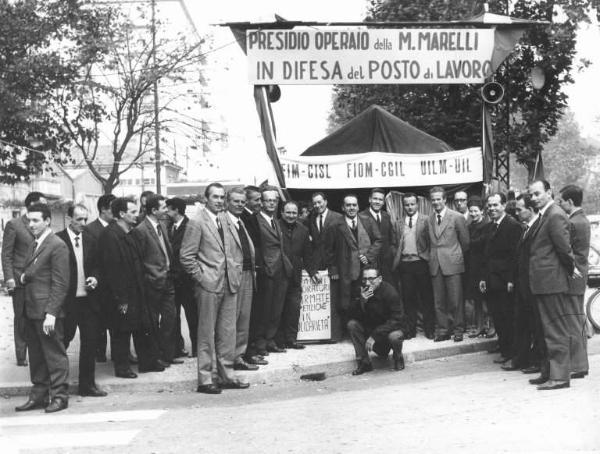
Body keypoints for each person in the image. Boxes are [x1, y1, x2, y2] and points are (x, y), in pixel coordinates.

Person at [180, 183, 249, 394]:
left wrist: (234, 271)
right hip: (209, 285)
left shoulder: (225, 220)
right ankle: (205, 379)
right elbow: (186, 257)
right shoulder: (197, 222)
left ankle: (227, 375)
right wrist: (202, 278)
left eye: (221, 197)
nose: (219, 201)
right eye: (215, 197)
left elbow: (232, 250)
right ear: (206, 198)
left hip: (229, 283)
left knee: (227, 333)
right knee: (206, 334)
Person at [98, 197, 163, 378]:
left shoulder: (130, 232)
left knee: (142, 326)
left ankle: (147, 362)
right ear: (121, 214)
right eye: (133, 212)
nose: (137, 215)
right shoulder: (110, 236)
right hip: (123, 294)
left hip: (136, 290)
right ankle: (122, 367)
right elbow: (113, 270)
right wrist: (122, 299)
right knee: (122, 331)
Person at [15, 203, 70, 413]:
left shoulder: (57, 245)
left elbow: (60, 283)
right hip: (31, 310)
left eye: (36, 220)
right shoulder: (35, 243)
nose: (31, 224)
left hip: (47, 312)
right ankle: (39, 395)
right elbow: (31, 270)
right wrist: (23, 276)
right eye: (29, 220)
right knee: (37, 356)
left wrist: (52, 313)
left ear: (47, 221)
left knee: (54, 355)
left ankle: (60, 396)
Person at [527, 180, 575, 390]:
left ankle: (560, 377)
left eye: (538, 194)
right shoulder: (545, 215)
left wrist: (564, 274)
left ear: (549, 192)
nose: (534, 198)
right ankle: (548, 372)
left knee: (555, 330)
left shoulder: (554, 215)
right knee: (546, 330)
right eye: (532, 195)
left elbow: (565, 251)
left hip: (552, 283)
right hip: (544, 283)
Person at [57, 205, 106, 397]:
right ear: (69, 218)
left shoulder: (90, 239)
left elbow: (97, 265)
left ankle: (87, 385)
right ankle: (58, 385)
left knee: (90, 343)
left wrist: (95, 277)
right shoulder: (58, 240)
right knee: (63, 343)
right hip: (68, 302)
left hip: (88, 301)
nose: (83, 223)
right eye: (79, 219)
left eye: (85, 219)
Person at [132, 194, 179, 367]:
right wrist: (149, 277)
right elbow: (139, 258)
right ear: (153, 210)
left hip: (167, 280)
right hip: (152, 282)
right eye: (163, 208)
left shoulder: (163, 226)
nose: (166, 211)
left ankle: (166, 354)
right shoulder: (141, 230)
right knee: (150, 322)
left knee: (170, 318)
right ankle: (153, 357)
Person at [2, 191, 47, 367]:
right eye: (40, 203)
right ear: (31, 205)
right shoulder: (14, 225)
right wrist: (9, 279)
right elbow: (6, 254)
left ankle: (39, 351)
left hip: (40, 279)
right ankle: (21, 355)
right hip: (20, 280)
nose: (44, 206)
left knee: (39, 315)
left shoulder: (44, 223)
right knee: (21, 317)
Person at [479, 193, 522, 364]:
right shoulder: (490, 227)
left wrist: (511, 279)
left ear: (503, 206)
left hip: (505, 281)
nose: (492, 209)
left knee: (508, 317)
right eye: (489, 206)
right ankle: (504, 350)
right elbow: (485, 256)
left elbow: (515, 256)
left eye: (495, 205)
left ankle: (512, 353)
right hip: (491, 281)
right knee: (497, 316)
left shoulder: (513, 226)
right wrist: (483, 278)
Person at [249, 186, 293, 356]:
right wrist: (262, 266)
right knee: (264, 309)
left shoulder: (275, 220)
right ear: (262, 202)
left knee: (277, 308)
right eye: (268, 200)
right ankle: (260, 342)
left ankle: (270, 340)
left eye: (274, 200)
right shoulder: (256, 220)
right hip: (267, 269)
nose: (271, 203)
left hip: (281, 268)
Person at [328, 194, 382, 324]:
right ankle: (350, 328)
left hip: (366, 268)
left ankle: (367, 325)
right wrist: (334, 269)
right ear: (343, 207)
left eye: (354, 205)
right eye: (348, 205)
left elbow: (378, 240)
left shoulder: (367, 221)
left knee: (368, 295)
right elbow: (329, 250)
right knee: (348, 299)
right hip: (346, 268)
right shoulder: (335, 225)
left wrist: (369, 256)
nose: (351, 208)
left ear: (358, 207)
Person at [504, 193, 541, 373]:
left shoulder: (536, 229)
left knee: (535, 324)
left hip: (531, 285)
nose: (517, 213)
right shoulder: (525, 228)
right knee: (522, 323)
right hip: (522, 284)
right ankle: (523, 358)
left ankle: (536, 361)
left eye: (520, 209)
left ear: (531, 209)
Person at [347, 267, 408, 375]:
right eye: (364, 279)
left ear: (379, 279)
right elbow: (352, 316)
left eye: (371, 279)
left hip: (388, 332)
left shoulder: (390, 292)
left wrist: (374, 336)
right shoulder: (361, 291)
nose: (367, 282)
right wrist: (362, 302)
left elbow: (396, 320)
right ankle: (364, 363)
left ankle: (398, 357)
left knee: (395, 336)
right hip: (372, 331)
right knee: (352, 325)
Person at [427, 186, 469, 342]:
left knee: (455, 299)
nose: (436, 202)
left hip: (453, 263)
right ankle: (443, 330)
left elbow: (465, 242)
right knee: (438, 300)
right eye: (433, 200)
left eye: (439, 199)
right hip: (435, 264)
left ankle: (458, 329)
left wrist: (454, 255)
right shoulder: (429, 219)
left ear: (445, 200)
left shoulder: (457, 217)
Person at [222, 187, 257, 371]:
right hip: (232, 277)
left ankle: (239, 357)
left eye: (243, 201)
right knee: (231, 321)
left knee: (244, 318)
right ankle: (227, 360)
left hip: (248, 274)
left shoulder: (241, 222)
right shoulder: (223, 222)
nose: (240, 204)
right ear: (228, 202)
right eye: (236, 201)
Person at [557, 184, 590, 379]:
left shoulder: (574, 222)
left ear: (570, 202)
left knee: (573, 322)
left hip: (573, 277)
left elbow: (569, 253)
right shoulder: (581, 219)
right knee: (576, 321)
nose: (559, 204)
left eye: (561, 201)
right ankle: (579, 364)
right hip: (578, 276)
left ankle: (577, 365)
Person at [276, 200, 319, 349]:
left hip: (295, 276)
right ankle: (278, 340)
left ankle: (291, 339)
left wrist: (312, 271)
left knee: (293, 308)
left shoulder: (303, 230)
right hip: (278, 275)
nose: (291, 215)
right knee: (278, 308)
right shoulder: (275, 226)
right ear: (282, 213)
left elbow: (307, 254)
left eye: (294, 212)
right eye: (288, 212)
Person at [392, 192, 434, 339]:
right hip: (405, 265)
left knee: (426, 298)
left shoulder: (426, 220)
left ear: (417, 204)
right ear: (403, 206)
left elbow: (431, 243)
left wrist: (428, 258)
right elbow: (395, 244)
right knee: (408, 299)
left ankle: (430, 329)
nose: (410, 207)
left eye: (412, 204)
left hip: (421, 263)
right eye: (406, 204)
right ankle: (411, 330)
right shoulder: (398, 222)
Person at [307, 192, 344, 339]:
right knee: (321, 301)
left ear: (326, 202)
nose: (317, 205)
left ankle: (335, 335)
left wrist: (334, 267)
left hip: (334, 266)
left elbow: (340, 246)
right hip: (318, 265)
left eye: (319, 202)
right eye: (314, 203)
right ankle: (321, 334)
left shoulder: (337, 218)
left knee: (334, 301)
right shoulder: (311, 218)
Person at [85, 194, 116, 363]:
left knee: (116, 320)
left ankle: (118, 353)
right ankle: (100, 353)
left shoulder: (118, 227)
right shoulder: (90, 229)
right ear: (103, 209)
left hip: (115, 284)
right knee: (99, 321)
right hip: (99, 283)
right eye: (113, 207)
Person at [166, 197, 197, 358]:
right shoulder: (169, 226)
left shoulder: (190, 226)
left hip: (187, 280)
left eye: (168, 208)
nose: (166, 211)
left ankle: (198, 348)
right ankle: (178, 348)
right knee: (174, 316)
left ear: (176, 210)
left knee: (193, 315)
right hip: (173, 280)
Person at [464, 197, 490, 338]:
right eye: (471, 211)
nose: (473, 214)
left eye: (475, 211)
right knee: (477, 299)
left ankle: (491, 326)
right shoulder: (469, 227)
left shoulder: (488, 226)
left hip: (484, 266)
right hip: (472, 266)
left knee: (488, 298)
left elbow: (482, 246)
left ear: (482, 211)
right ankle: (480, 326)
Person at [361, 188, 397, 286]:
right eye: (375, 199)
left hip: (386, 263)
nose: (377, 202)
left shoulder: (386, 216)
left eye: (380, 200)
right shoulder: (361, 216)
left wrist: (391, 254)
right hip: (369, 263)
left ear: (384, 202)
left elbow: (391, 238)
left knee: (387, 289)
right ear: (370, 200)